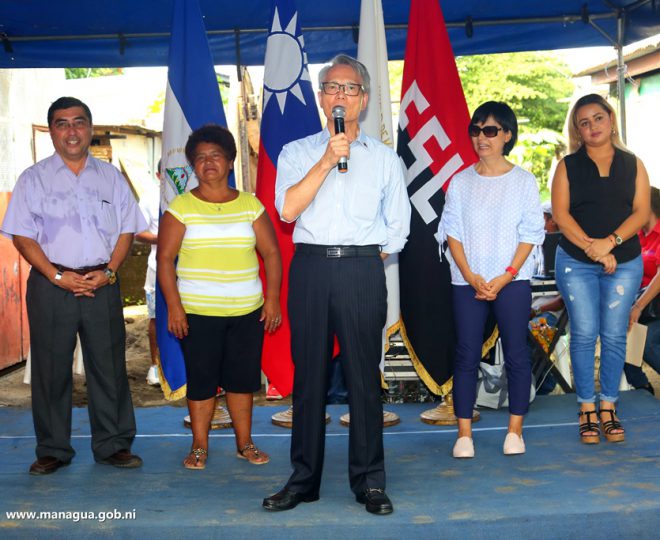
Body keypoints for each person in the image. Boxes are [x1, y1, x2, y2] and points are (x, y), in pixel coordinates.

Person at [262, 54, 410, 515]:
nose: (341, 95)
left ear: (363, 100)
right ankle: (303, 480)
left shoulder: (384, 159)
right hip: (310, 268)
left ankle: (369, 482)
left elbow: (398, 227)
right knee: (309, 378)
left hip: (362, 269)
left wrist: (360, 261)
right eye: (332, 87)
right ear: (322, 98)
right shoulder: (297, 152)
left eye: (350, 88)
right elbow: (287, 210)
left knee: (364, 378)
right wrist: (327, 160)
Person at [1, 96, 146, 474]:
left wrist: (110, 271)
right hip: (52, 285)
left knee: (109, 367)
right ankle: (52, 449)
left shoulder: (110, 177)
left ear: (90, 128)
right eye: (62, 123)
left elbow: (127, 229)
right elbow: (22, 237)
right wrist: (57, 276)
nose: (71, 131)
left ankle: (114, 445)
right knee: (50, 370)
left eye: (78, 122)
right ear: (52, 131)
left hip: (102, 282)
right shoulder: (33, 179)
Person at [157, 124, 282, 470]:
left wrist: (272, 299)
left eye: (216, 155)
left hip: (247, 312)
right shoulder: (181, 207)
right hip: (197, 313)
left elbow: (272, 253)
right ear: (192, 166)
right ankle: (199, 446)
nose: (208, 162)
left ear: (230, 161)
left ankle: (245, 444)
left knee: (242, 381)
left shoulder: (250, 205)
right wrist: (175, 308)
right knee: (202, 382)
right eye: (200, 157)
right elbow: (164, 259)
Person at [438, 101, 544, 458]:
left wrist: (506, 275)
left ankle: (515, 431)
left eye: (490, 130)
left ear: (507, 135)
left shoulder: (524, 181)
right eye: (476, 130)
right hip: (467, 280)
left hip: (512, 279)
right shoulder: (460, 181)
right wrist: (470, 275)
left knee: (516, 353)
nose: (481, 137)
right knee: (466, 353)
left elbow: (531, 233)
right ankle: (464, 435)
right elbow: (452, 231)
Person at [551, 93, 649, 444]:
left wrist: (610, 243)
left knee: (614, 335)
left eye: (598, 118)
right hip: (575, 262)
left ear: (611, 119)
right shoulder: (567, 166)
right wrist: (593, 249)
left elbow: (641, 213)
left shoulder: (634, 164)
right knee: (583, 333)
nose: (592, 126)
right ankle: (586, 409)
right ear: (577, 130)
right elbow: (561, 216)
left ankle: (608, 406)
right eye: (584, 122)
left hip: (624, 262)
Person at [624, 186, 660, 393]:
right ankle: (642, 387)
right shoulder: (636, 235)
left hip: (652, 307)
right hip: (644, 307)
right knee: (619, 335)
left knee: (647, 344)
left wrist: (637, 306)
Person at [135, 161, 162, 386]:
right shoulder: (150, 197)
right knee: (156, 318)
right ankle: (155, 365)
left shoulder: (192, 193)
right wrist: (163, 239)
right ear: (158, 175)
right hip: (157, 268)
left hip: (190, 270)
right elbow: (138, 232)